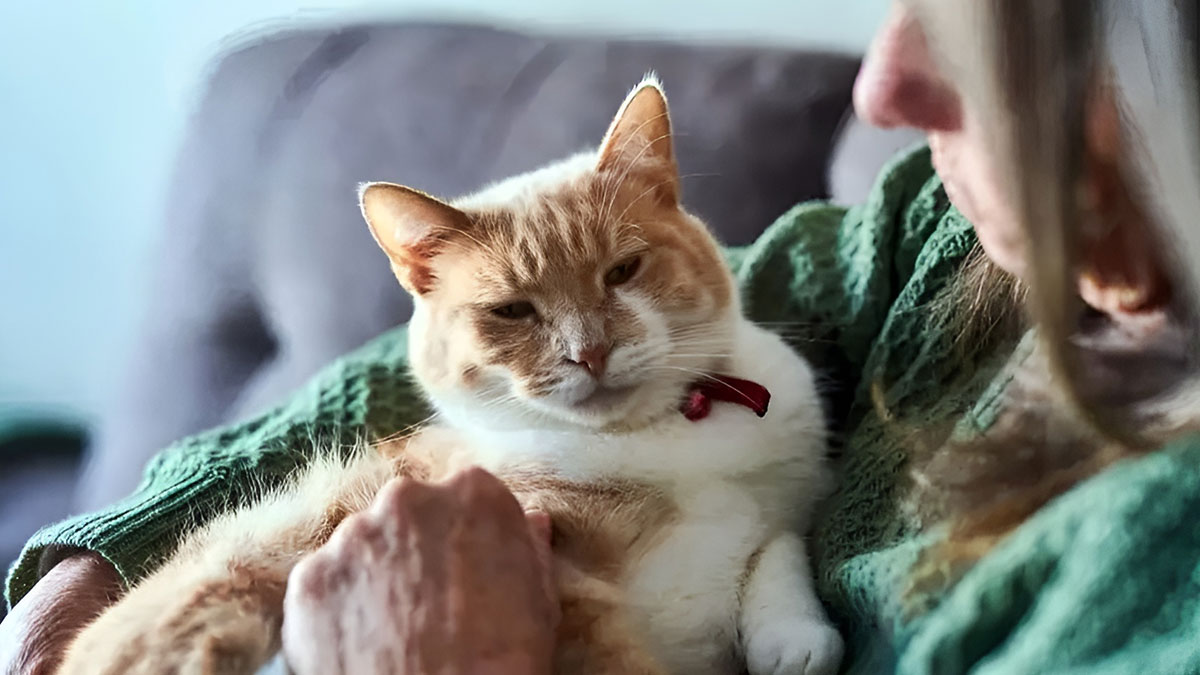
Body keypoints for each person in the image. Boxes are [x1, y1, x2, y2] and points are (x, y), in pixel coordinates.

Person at [5, 0, 1200, 673]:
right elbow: (383, 385)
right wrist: (100, 560)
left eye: (1007, 31)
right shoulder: (945, 230)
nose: (883, 89)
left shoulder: (1150, 576)